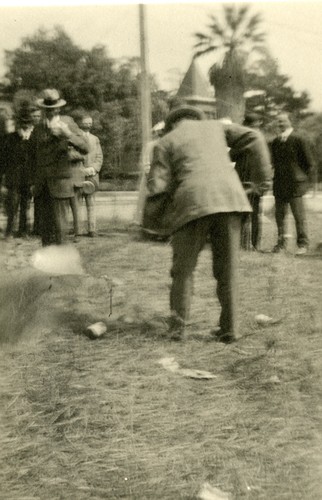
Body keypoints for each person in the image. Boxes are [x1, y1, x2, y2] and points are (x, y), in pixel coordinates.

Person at [144, 105, 272, 343]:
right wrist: (262, 181)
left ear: (172, 124)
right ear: (196, 119)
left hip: (192, 204)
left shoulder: (166, 141)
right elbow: (255, 137)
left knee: (183, 271)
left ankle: (177, 330)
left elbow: (158, 187)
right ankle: (230, 330)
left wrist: (153, 225)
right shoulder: (216, 127)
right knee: (228, 270)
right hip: (231, 200)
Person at [29, 88, 88, 246]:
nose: (50, 112)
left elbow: (85, 147)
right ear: (43, 109)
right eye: (47, 109)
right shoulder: (39, 128)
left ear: (59, 108)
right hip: (42, 184)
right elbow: (31, 157)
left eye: (53, 109)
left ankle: (62, 260)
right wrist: (32, 182)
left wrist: (67, 134)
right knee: (45, 227)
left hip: (60, 182)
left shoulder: (67, 123)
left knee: (60, 225)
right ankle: (49, 261)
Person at [270, 112, 314, 255]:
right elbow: (274, 163)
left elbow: (309, 163)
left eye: (283, 121)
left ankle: (303, 245)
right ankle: (281, 244)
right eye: (278, 122)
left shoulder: (299, 139)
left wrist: (303, 180)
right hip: (279, 183)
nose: (280, 124)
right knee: (280, 216)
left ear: (290, 122)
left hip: (295, 185)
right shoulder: (275, 142)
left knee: (298, 216)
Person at [235, 112, 272, 250]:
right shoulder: (254, 139)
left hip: (251, 180)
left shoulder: (251, 139)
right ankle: (247, 243)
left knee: (251, 212)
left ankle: (251, 243)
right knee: (249, 212)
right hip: (247, 180)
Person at [3, 102, 34, 238]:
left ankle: (23, 231)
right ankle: (9, 230)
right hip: (13, 177)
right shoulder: (10, 138)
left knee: (25, 206)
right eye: (23, 122)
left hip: (27, 178)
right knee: (12, 205)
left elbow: (35, 160)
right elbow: (4, 159)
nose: (25, 125)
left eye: (27, 122)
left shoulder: (33, 139)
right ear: (19, 123)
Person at [76, 114, 103, 237]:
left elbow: (99, 157)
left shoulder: (95, 139)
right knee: (77, 203)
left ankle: (92, 229)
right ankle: (79, 230)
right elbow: (73, 156)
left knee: (91, 203)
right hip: (78, 175)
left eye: (90, 123)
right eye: (86, 122)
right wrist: (80, 170)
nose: (88, 125)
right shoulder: (75, 138)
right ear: (80, 123)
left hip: (92, 175)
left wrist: (93, 168)